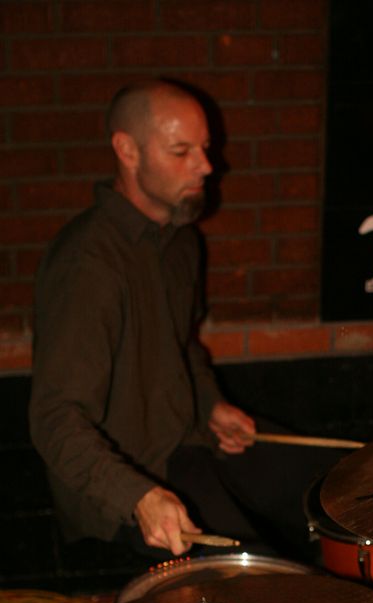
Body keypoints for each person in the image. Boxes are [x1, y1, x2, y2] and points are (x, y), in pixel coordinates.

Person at [29, 79, 340, 561]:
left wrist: (211, 403)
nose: (206, 166)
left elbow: (183, 348)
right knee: (257, 577)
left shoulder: (180, 241)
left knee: (342, 485)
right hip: (128, 480)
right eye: (181, 151)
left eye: (205, 148)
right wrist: (137, 496)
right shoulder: (87, 265)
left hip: (189, 438)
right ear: (127, 151)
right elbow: (53, 418)